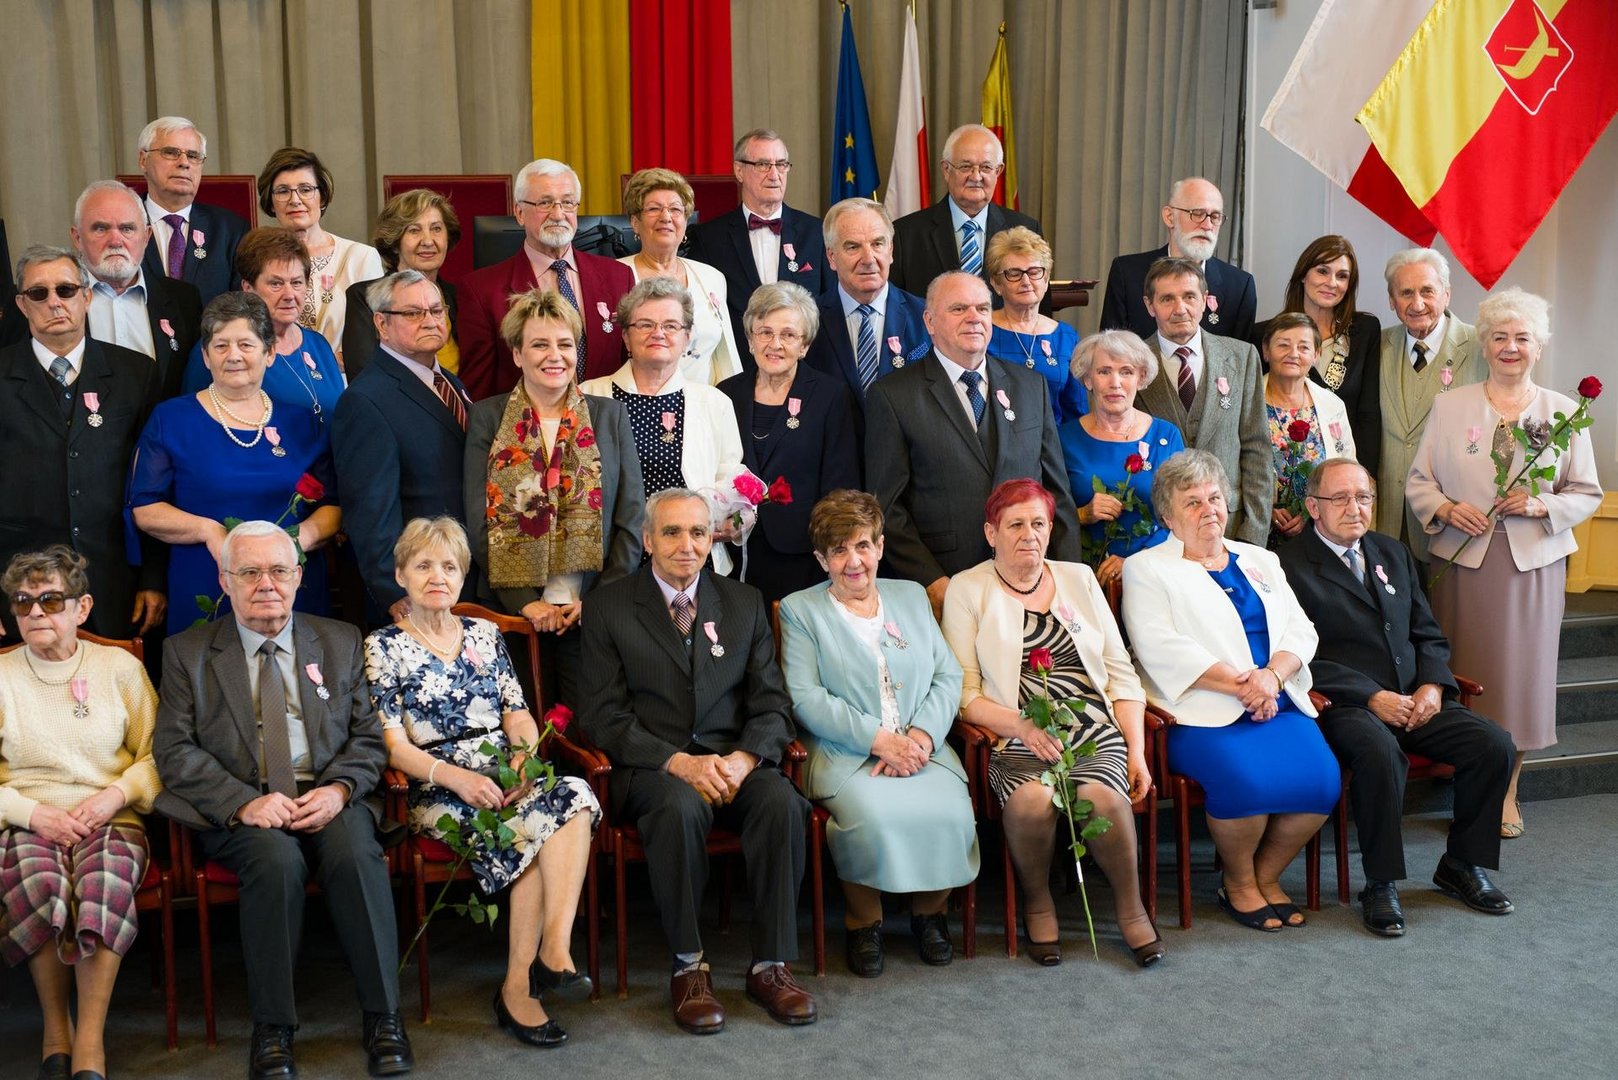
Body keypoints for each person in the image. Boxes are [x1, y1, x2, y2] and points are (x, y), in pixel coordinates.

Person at [152, 522, 412, 1079]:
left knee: (355, 854)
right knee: (275, 862)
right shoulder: (186, 653)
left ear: (298, 577)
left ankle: (384, 1016)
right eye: (249, 572)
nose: (265, 584)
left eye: (277, 570)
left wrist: (339, 790)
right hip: (244, 805)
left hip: (326, 793)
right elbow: (173, 750)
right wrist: (243, 803)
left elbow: (367, 738)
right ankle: (273, 1027)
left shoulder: (339, 641)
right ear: (225, 581)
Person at [579, 489, 815, 1033]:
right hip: (653, 769)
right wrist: (678, 763)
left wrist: (745, 759)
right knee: (680, 808)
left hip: (731, 761)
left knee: (781, 802)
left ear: (712, 539)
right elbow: (602, 717)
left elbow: (772, 704)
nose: (686, 545)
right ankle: (689, 966)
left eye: (698, 532)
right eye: (672, 532)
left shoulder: (744, 602)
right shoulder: (610, 606)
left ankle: (771, 965)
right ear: (647, 540)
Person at [365, 518, 599, 1047]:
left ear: (462, 576)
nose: (438, 577)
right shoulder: (382, 646)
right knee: (531, 839)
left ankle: (554, 950)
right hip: (436, 784)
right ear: (401, 575)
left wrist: (523, 761)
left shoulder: (485, 634)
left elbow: (517, 714)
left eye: (450, 567)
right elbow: (392, 745)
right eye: (423, 566)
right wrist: (460, 779)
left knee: (575, 794)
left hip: (503, 773)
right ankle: (519, 989)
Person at [1278, 458, 1515, 936]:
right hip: (1345, 704)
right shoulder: (1286, 565)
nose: (1355, 508)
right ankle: (1381, 883)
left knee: (1494, 744)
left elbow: (1427, 633)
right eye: (1340, 498)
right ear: (1313, 507)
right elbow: (1294, 654)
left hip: (1414, 697)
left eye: (1363, 497)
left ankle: (1462, 864)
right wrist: (1371, 696)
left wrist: (1433, 684)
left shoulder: (1391, 551)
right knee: (1380, 753)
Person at [1406, 288, 1601, 838]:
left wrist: (1542, 505)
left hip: (1531, 567)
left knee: (1520, 683)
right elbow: (1419, 481)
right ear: (1484, 345)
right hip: (1461, 564)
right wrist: (1446, 508)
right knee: (1464, 674)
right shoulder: (1450, 406)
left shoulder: (1565, 413)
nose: (1510, 347)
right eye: (1499, 337)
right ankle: (1465, 777)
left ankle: (1506, 789)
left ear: (1539, 346)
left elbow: (1587, 492)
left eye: (1522, 338)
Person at [943, 480, 1162, 966]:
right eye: (1015, 525)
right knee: (1032, 801)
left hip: (1092, 728)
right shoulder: (968, 588)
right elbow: (964, 695)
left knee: (1102, 796)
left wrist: (1136, 750)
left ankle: (1131, 908)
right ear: (991, 533)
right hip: (1016, 732)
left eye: (1038, 524)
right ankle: (1038, 902)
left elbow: (1122, 675)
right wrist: (1021, 727)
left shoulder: (1078, 578)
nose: (1029, 535)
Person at [1122, 449, 1340, 932]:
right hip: (1201, 712)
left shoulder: (1260, 559)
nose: (1209, 510)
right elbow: (1160, 648)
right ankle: (1239, 883)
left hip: (1276, 700)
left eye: (1215, 498)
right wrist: (1246, 686)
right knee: (1248, 784)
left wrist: (1272, 678)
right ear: (1168, 517)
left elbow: (1301, 630)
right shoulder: (1147, 568)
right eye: (1193, 502)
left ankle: (1266, 875)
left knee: (1323, 782)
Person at [779, 490, 977, 977]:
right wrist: (880, 741)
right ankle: (863, 922)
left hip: (922, 748)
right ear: (821, 559)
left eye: (863, 546)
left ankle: (930, 915)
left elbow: (948, 675)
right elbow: (805, 696)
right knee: (872, 819)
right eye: (839, 550)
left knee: (952, 812)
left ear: (881, 547)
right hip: (846, 753)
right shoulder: (800, 611)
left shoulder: (910, 596)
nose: (854, 561)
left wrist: (923, 738)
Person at [0, 547, 161, 1080]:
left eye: (50, 600)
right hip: (26, 817)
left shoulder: (120, 667)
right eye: (22, 602)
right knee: (41, 882)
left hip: (110, 814)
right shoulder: (1, 675)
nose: (35, 612)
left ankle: (90, 1041)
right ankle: (56, 1031)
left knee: (101, 884)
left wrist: (115, 796)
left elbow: (159, 756)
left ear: (82, 607)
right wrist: (31, 813)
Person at [464, 289, 644, 706]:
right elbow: (477, 520)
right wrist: (525, 604)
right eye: (539, 344)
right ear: (517, 354)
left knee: (588, 725)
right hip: (512, 614)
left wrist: (597, 602)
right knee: (525, 727)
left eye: (565, 344)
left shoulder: (609, 415)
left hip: (591, 610)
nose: (554, 356)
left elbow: (631, 518)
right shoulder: (487, 417)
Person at [866, 272, 1081, 618]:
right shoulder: (893, 396)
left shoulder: (1030, 386)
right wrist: (932, 581)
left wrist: (1068, 576)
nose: (974, 318)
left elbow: (1057, 492)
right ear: (929, 322)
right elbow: (886, 506)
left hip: (1031, 585)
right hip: (945, 584)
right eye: (958, 309)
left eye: (982, 308)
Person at [128, 292, 338, 633]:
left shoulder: (302, 423)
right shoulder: (171, 419)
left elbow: (333, 506)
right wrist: (209, 531)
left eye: (246, 344)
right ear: (206, 356)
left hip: (290, 585)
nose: (234, 356)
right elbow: (145, 508)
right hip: (206, 579)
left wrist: (297, 539)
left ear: (269, 353)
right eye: (221, 346)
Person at [0, 245, 165, 641]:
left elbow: (155, 484)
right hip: (21, 585)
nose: (54, 302)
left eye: (66, 290)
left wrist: (154, 577)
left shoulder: (135, 373)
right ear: (22, 305)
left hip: (115, 580)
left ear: (86, 296)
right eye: (38, 293)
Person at [333, 271, 473, 623]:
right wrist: (393, 592)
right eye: (413, 313)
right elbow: (369, 510)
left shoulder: (451, 383)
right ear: (381, 323)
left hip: (463, 577)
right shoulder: (365, 400)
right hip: (416, 593)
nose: (429, 320)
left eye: (436, 310)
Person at [581, 277, 744, 576]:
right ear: (626, 336)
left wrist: (736, 519)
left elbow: (732, 480)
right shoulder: (588, 396)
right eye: (645, 324)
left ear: (687, 337)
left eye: (671, 325)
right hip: (610, 564)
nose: (658, 333)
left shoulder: (715, 402)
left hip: (690, 559)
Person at [717, 282, 859, 606]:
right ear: (750, 340)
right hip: (733, 551)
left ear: (804, 345)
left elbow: (840, 487)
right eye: (765, 332)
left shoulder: (830, 396)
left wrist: (830, 549)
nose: (775, 344)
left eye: (788, 335)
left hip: (803, 555)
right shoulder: (725, 393)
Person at [458, 159, 634, 401]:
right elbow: (478, 392)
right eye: (545, 203)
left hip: (604, 419)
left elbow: (630, 367)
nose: (558, 214)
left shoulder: (619, 277)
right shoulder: (481, 291)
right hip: (524, 422)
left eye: (567, 202)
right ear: (519, 213)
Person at [1134, 257, 1272, 545]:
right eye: (1167, 299)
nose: (1180, 308)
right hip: (1157, 532)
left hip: (1231, 528)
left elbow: (1256, 449)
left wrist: (1253, 534)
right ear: (1150, 305)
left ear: (1206, 300)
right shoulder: (1132, 363)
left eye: (1189, 297)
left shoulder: (1242, 357)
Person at [1376, 248, 1484, 564]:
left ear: (1446, 294)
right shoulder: (1376, 345)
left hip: (1455, 518)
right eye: (1406, 293)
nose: (1417, 303)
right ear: (1391, 300)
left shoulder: (1482, 347)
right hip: (1388, 515)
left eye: (1427, 291)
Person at [686, 129, 834, 351]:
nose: (774, 175)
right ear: (739, 171)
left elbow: (830, 305)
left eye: (781, 164)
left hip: (802, 362)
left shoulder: (816, 232)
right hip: (738, 363)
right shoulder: (708, 238)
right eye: (763, 165)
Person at [1059, 330, 1184, 587]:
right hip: (1082, 575)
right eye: (1104, 371)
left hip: (1154, 574)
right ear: (1088, 379)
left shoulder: (1166, 435)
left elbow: (1183, 514)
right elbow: (1045, 511)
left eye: (1126, 372)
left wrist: (1136, 562)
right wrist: (1081, 514)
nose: (1115, 383)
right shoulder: (1063, 438)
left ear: (1141, 378)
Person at [179, 228, 344, 419]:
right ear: (248, 288)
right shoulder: (220, 349)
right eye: (276, 284)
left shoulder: (319, 344)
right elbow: (191, 420)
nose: (289, 295)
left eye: (297, 283)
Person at [71, 179, 202, 399]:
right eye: (101, 228)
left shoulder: (184, 300)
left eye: (127, 229)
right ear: (77, 238)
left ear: (146, 236)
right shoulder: (53, 300)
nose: (115, 241)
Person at [802, 197, 930, 420]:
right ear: (831, 257)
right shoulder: (808, 321)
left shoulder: (927, 316)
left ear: (891, 250)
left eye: (877, 244)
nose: (868, 259)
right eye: (853, 247)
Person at [256, 146, 383, 364]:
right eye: (283, 191)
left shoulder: (361, 258)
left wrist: (331, 364)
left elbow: (380, 336)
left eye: (305, 189)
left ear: (322, 198)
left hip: (346, 379)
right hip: (276, 374)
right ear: (271, 202)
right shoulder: (257, 261)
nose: (295, 200)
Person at [1264, 235, 1381, 472]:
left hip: (1346, 467)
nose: (1332, 283)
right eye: (1322, 271)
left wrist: (1365, 476)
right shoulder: (1266, 334)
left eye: (1342, 276)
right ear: (1303, 275)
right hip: (1278, 470)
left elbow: (1368, 412)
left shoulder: (1365, 330)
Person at [890, 124, 1042, 302]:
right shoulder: (905, 234)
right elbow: (897, 307)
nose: (976, 177)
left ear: (998, 171)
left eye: (986, 167)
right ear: (946, 170)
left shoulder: (1026, 229)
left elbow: (1039, 310)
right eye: (965, 166)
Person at [618, 168, 741, 386]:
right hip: (635, 401)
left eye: (675, 209)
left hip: (703, 402)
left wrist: (732, 401)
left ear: (685, 221)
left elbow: (725, 357)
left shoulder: (712, 277)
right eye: (654, 209)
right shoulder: (613, 275)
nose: (666, 217)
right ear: (635, 222)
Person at [1100, 177, 1257, 342]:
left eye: (1215, 216)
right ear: (1169, 217)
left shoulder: (1240, 286)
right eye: (1197, 214)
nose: (1208, 225)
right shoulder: (1127, 273)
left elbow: (1241, 355)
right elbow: (1109, 348)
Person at [343, 189, 462, 379]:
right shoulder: (364, 297)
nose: (428, 241)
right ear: (395, 242)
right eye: (414, 230)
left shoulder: (461, 296)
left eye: (436, 229)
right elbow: (365, 376)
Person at [1262, 312, 1355, 546]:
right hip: (1259, 526)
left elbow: (1347, 467)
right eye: (1283, 345)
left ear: (1316, 354)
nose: (1293, 354)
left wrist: (1309, 512)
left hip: (1318, 528)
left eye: (1304, 347)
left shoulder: (1332, 405)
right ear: (1266, 351)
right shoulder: (1247, 400)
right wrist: (1265, 508)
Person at [136, 115, 249, 304]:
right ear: (143, 160)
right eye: (170, 152)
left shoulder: (231, 230)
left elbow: (243, 306)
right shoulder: (120, 225)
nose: (184, 162)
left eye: (193, 156)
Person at [986, 226, 1086, 423]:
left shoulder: (1066, 336)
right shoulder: (981, 330)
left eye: (1034, 272)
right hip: (995, 439)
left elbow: (1076, 412)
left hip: (1053, 439)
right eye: (1014, 273)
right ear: (997, 284)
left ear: (1046, 279)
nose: (1026, 281)